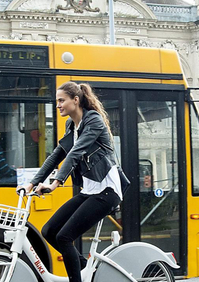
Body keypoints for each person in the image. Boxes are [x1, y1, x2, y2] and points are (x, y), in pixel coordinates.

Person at [17, 82, 129, 282]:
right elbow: (57, 155)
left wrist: (54, 183)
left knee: (65, 237)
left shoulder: (93, 120)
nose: (58, 105)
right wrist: (32, 184)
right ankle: (87, 269)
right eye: (57, 101)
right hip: (89, 191)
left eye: (62, 100)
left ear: (75, 100)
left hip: (107, 191)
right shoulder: (72, 125)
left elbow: (76, 153)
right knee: (49, 231)